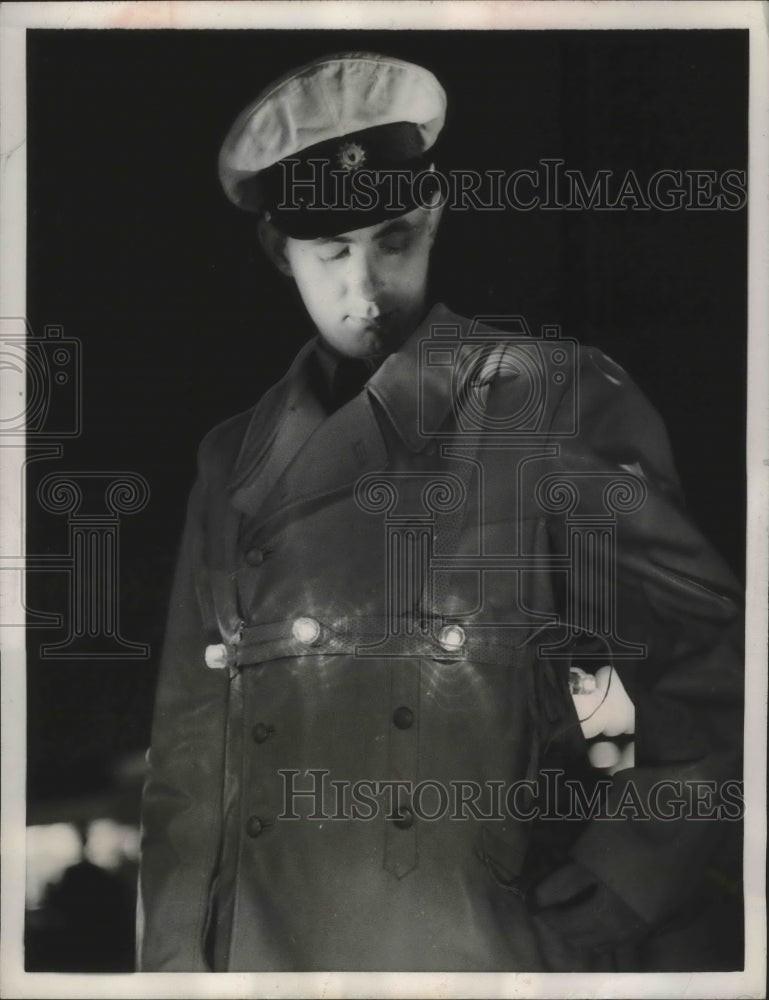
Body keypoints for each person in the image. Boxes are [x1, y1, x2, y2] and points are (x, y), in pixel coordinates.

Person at [137, 52, 743, 972]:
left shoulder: (551, 398)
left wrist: (630, 871)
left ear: (433, 215)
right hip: (262, 952)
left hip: (475, 939)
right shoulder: (230, 460)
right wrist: (174, 966)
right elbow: (188, 752)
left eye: (393, 241)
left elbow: (710, 663)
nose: (366, 289)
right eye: (331, 253)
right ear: (278, 251)